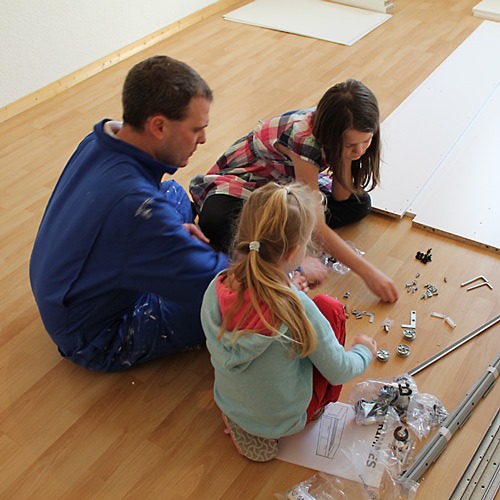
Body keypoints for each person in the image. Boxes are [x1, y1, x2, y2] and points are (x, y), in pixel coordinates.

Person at [29, 55, 229, 372]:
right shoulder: (137, 208)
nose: (203, 139)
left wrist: (166, 237)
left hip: (64, 287)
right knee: (230, 307)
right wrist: (287, 271)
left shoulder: (99, 140)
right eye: (196, 129)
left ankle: (163, 254)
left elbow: (133, 215)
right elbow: (219, 284)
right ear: (158, 126)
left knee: (174, 193)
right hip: (93, 335)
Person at [201, 182, 377, 462]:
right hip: (288, 419)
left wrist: (288, 283)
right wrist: (363, 351)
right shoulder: (296, 306)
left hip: (231, 403)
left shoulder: (216, 287)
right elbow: (340, 371)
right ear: (295, 251)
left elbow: (255, 302)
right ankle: (281, 424)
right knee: (329, 308)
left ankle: (243, 423)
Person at [190, 80, 398, 302]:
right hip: (245, 184)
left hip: (284, 185)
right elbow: (315, 223)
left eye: (366, 141)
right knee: (218, 220)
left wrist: (346, 155)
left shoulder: (344, 134)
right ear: (331, 137)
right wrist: (368, 272)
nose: (359, 151)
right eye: (350, 145)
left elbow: (341, 196)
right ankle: (281, 255)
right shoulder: (303, 139)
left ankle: (278, 240)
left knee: (358, 203)